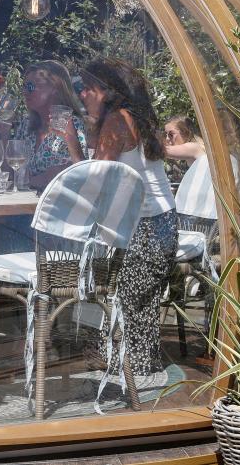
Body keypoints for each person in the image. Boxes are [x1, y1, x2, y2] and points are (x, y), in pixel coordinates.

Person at [79, 59, 177, 380]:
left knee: (107, 284)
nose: (82, 94)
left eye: (88, 88)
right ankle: (125, 361)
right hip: (161, 226)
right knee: (134, 302)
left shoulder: (117, 121)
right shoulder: (135, 117)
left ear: (108, 92)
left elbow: (94, 181)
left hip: (144, 232)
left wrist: (72, 142)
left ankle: (125, 368)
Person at [6, 61, 87, 190]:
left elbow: (74, 174)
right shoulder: (26, 125)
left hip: (56, 201)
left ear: (55, 87)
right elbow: (10, 174)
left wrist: (27, 180)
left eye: (30, 87)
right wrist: (3, 130)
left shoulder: (71, 124)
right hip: (23, 200)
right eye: (24, 87)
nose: (25, 92)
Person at [164, 115, 219, 228]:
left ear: (186, 132)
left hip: (195, 214)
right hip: (204, 212)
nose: (167, 139)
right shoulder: (201, 147)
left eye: (171, 134)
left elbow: (164, 151)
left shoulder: (195, 147)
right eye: (166, 135)